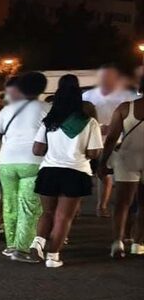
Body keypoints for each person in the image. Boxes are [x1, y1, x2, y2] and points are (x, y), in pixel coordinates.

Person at [29, 73, 103, 268]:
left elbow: (37, 149)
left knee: (47, 213)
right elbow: (94, 152)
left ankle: (38, 242)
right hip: (75, 172)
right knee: (63, 217)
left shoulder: (49, 121)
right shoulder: (89, 122)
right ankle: (53, 257)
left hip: (49, 171)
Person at [0, 72, 47, 260]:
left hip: (7, 161)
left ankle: (10, 245)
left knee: (10, 204)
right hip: (34, 161)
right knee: (28, 206)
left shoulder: (8, 110)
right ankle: (22, 248)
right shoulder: (46, 108)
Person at [83, 64, 140, 215]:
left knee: (106, 177)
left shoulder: (126, 96)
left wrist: (114, 128)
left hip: (117, 143)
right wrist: (96, 128)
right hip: (91, 142)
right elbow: (83, 115)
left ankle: (102, 206)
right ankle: (78, 208)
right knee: (87, 175)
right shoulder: (88, 95)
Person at [100, 88, 144, 257]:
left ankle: (117, 242)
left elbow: (112, 138)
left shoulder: (125, 108)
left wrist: (103, 162)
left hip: (127, 157)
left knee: (122, 203)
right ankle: (138, 243)